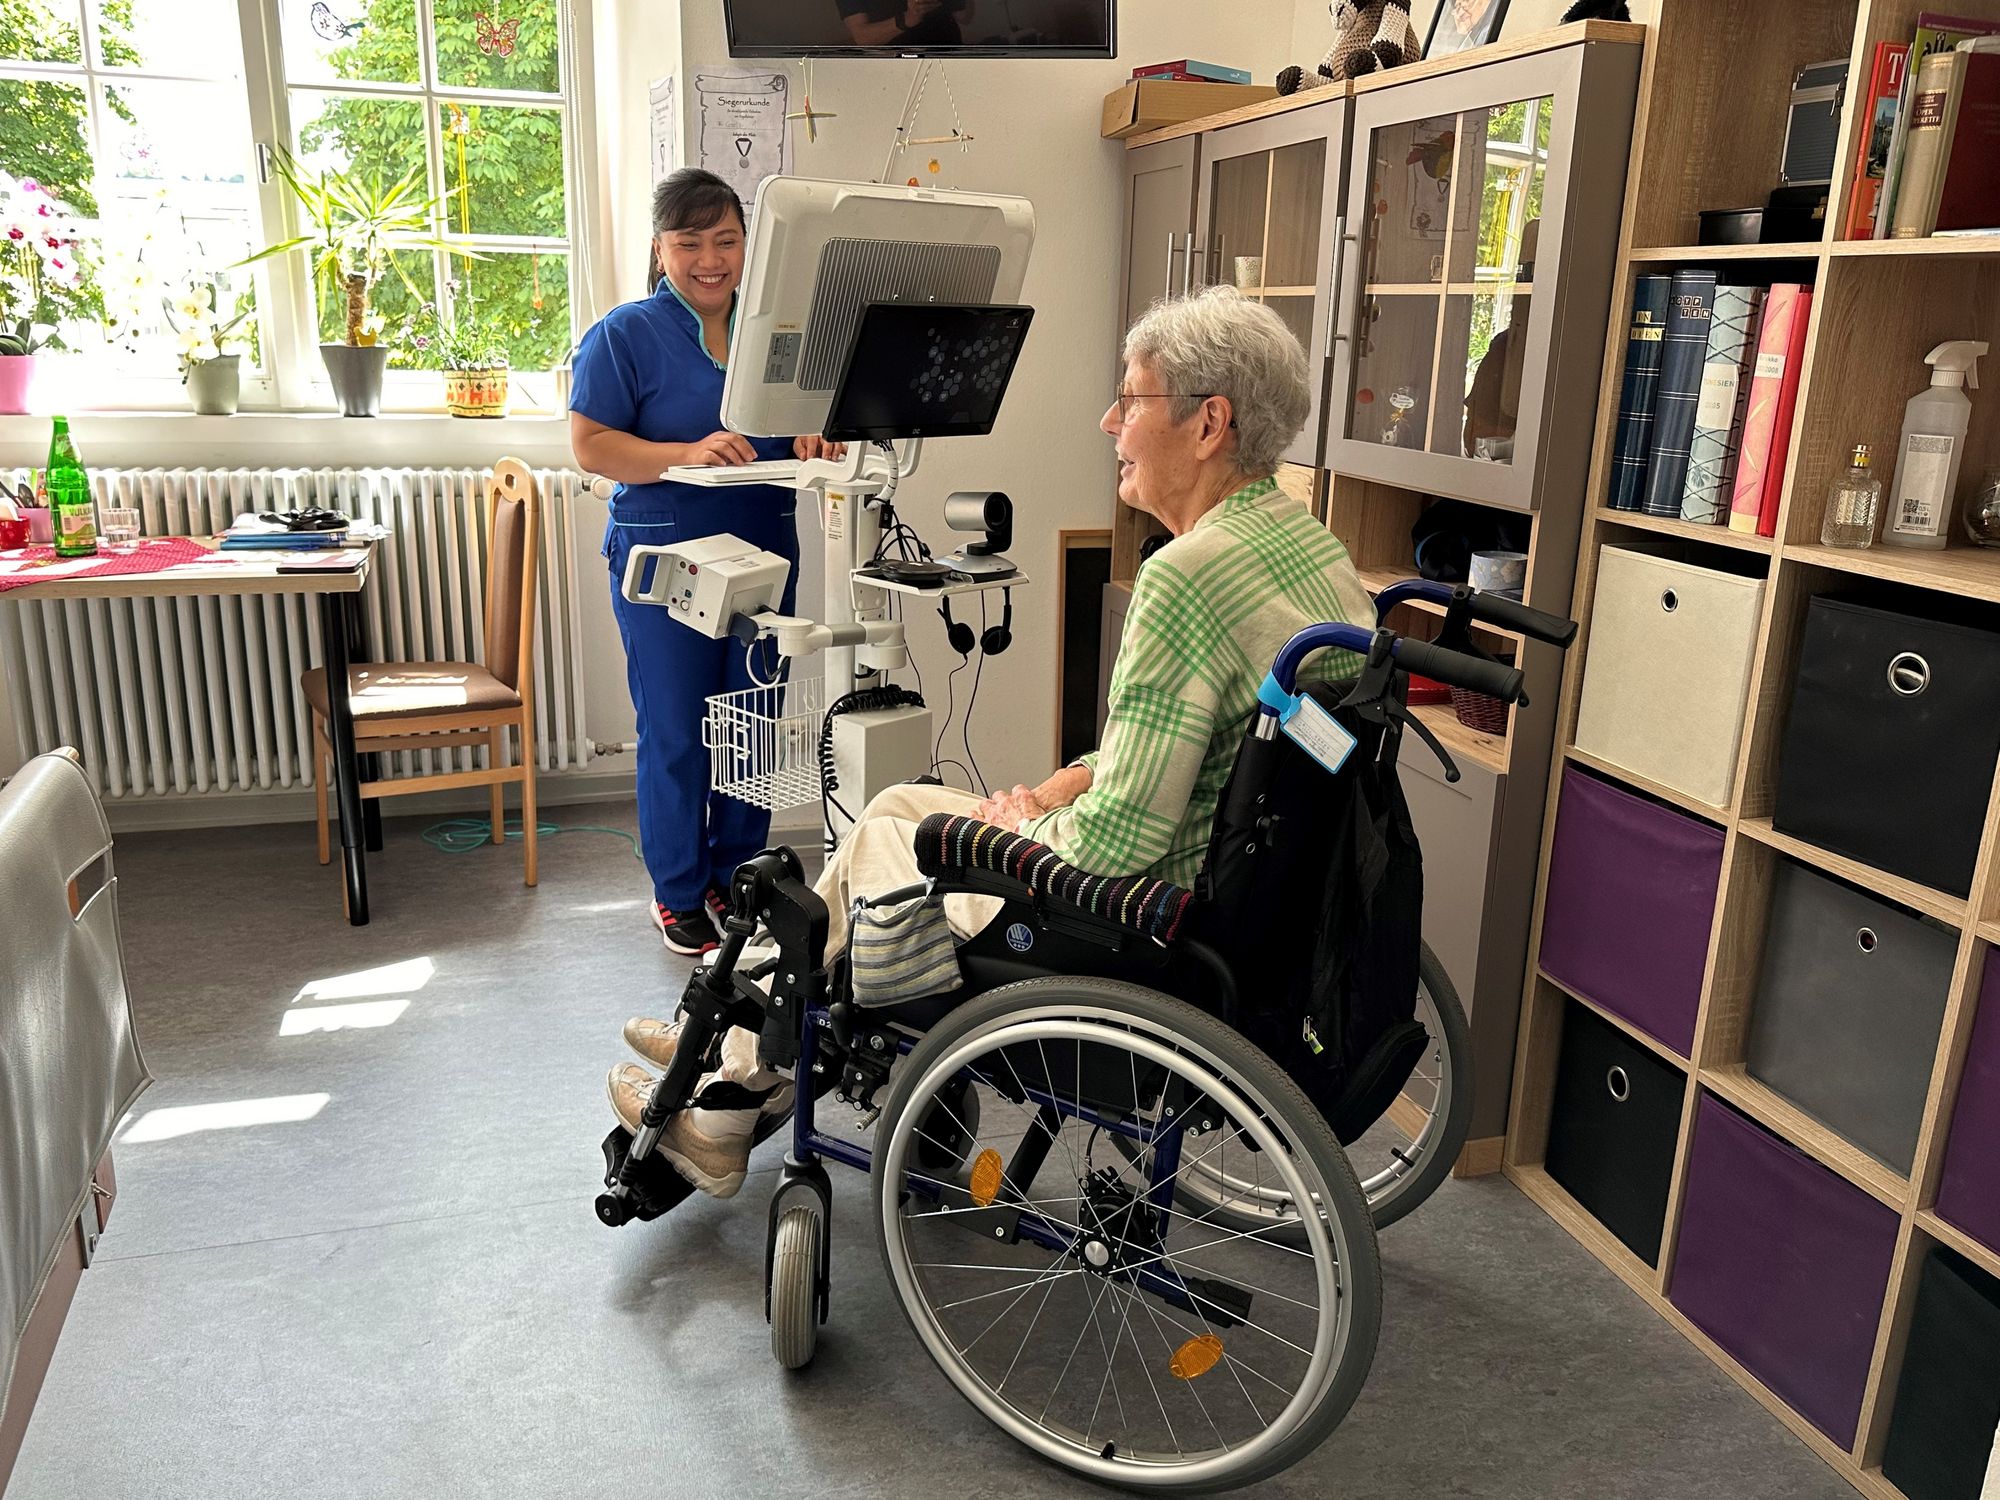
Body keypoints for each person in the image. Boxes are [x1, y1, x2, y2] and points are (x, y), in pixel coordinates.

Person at [609, 285, 1373, 1197]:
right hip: (1250, 895)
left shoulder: (1186, 578)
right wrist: (1052, 790)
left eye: (1129, 400)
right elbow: (1205, 747)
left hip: (1138, 916)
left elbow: (1117, 844)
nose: (1108, 423)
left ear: (1209, 424)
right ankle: (742, 1046)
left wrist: (1015, 833)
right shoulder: (1314, 550)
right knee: (898, 804)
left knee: (888, 836)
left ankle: (733, 1080)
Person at [570, 168, 841, 958]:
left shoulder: (778, 334)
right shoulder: (624, 334)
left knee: (752, 724)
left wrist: (813, 437)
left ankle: (736, 873)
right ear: (661, 249)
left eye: (726, 240)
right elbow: (591, 445)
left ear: (748, 245)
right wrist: (685, 452)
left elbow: (805, 425)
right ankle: (680, 890)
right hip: (667, 557)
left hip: (762, 550)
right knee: (679, 729)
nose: (710, 260)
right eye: (690, 243)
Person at [838, 0, 972, 47]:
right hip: (894, 69)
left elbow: (964, 16)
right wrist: (909, 18)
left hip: (949, 57)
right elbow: (862, 37)